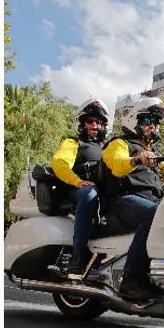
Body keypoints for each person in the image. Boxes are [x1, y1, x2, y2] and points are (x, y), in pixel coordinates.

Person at [101, 97, 164, 302]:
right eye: (149, 120)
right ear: (135, 120)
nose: (153, 126)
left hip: (152, 200)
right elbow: (116, 164)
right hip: (124, 200)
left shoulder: (154, 154)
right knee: (156, 214)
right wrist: (135, 159)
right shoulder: (120, 144)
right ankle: (130, 281)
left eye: (156, 122)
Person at [51, 98, 110, 278]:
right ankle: (79, 255)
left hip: (103, 190)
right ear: (82, 123)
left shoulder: (107, 146)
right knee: (89, 193)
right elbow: (59, 164)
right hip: (78, 190)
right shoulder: (73, 142)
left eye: (99, 122)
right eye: (90, 121)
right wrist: (77, 181)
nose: (95, 125)